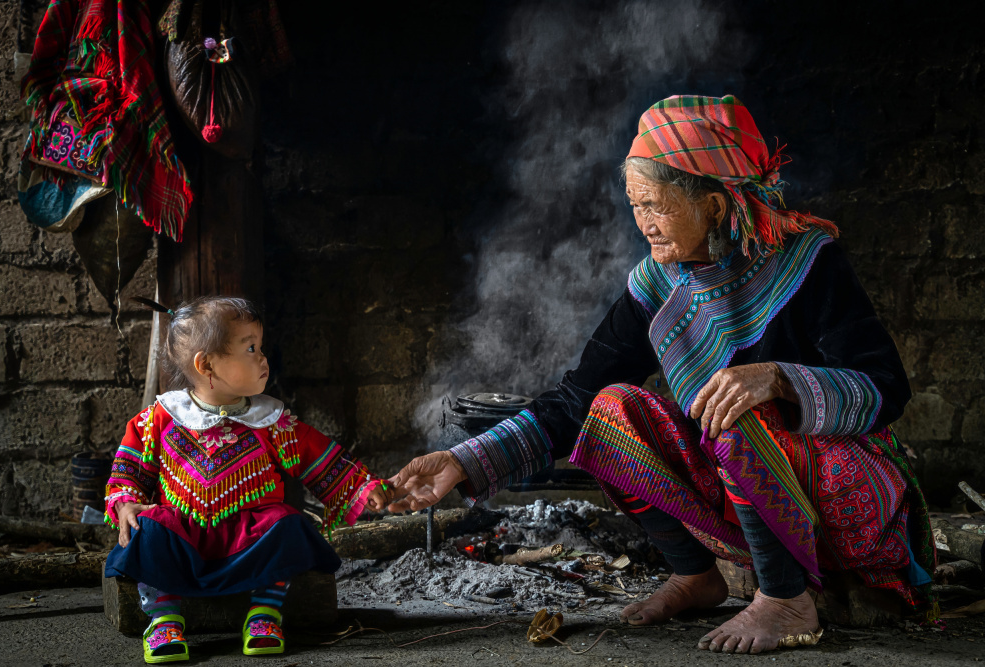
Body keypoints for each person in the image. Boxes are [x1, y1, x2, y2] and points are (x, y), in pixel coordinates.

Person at [388, 95, 936, 655]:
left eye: (655, 205)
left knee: (732, 405)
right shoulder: (656, 285)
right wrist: (461, 463)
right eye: (635, 205)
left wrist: (776, 379)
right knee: (609, 410)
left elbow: (887, 386)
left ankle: (786, 601)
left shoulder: (807, 261)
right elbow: (573, 402)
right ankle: (696, 575)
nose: (642, 224)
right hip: (747, 490)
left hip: (848, 497)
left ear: (716, 207)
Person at [104, 296, 393, 663]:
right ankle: (164, 619)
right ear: (206, 364)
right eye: (250, 348)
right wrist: (125, 502)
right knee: (147, 527)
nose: (263, 358)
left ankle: (263, 614)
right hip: (184, 535)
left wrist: (361, 487)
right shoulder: (159, 419)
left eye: (260, 347)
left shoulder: (271, 421)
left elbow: (320, 457)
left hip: (249, 537)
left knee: (289, 522)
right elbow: (127, 472)